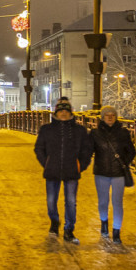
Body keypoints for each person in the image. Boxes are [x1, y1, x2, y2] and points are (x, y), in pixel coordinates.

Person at [34, 101, 94, 244]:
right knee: (51, 201)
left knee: (71, 202)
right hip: (52, 171)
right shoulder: (46, 129)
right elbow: (39, 148)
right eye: (61, 111)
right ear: (56, 113)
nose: (63, 113)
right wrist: (46, 163)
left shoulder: (79, 130)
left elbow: (87, 150)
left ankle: (69, 230)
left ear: (70, 113)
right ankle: (54, 222)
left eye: (66, 111)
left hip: (71, 171)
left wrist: (80, 165)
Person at [90, 105, 135, 243]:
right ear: (102, 118)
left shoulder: (123, 133)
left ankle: (116, 232)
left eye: (112, 114)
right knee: (103, 202)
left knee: (117, 203)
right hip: (101, 173)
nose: (110, 117)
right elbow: (88, 149)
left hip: (118, 174)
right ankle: (104, 223)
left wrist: (124, 163)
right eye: (107, 115)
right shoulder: (95, 133)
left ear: (116, 117)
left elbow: (131, 151)